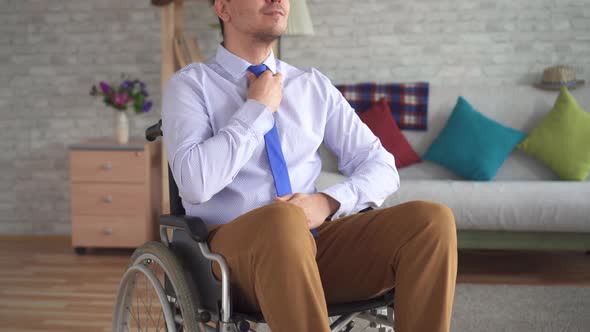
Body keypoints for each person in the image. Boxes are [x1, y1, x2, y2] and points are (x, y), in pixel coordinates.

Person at [161, 0, 457, 331]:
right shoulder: (190, 85)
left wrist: (327, 202)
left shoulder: (311, 86)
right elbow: (194, 184)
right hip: (228, 259)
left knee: (431, 222)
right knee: (281, 220)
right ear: (224, 8)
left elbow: (382, 166)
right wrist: (257, 110)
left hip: (315, 243)